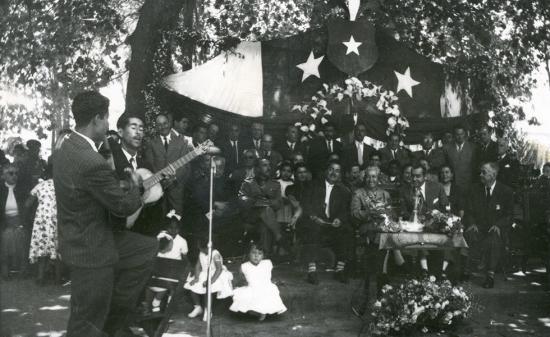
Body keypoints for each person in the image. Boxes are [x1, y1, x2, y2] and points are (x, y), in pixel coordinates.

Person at [53, 91, 158, 337]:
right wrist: (136, 185)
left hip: (79, 238)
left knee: (146, 248)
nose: (108, 125)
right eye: (107, 119)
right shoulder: (91, 160)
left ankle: (116, 310)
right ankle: (109, 315)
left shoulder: (65, 146)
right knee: (84, 326)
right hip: (92, 251)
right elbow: (123, 206)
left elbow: (92, 188)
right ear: (97, 119)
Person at [351, 166, 405, 294]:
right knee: (385, 234)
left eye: (374, 176)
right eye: (368, 176)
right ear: (365, 178)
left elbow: (391, 213)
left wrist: (386, 213)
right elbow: (354, 213)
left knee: (386, 233)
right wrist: (370, 212)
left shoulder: (385, 194)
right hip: (367, 226)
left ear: (378, 178)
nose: (371, 179)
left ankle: (383, 273)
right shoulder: (358, 193)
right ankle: (399, 260)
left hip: (383, 226)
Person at [301, 161, 351, 284]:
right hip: (315, 221)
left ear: (340, 175)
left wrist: (339, 219)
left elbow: (344, 211)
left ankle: (340, 270)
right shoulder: (313, 186)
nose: (333, 173)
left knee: (347, 231)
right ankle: (311, 271)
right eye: (331, 169)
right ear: (326, 171)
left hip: (331, 224)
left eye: (337, 171)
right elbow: (306, 205)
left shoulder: (343, 191)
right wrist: (314, 217)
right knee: (312, 229)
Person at [465, 162, 514, 288]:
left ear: (493, 175)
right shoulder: (474, 190)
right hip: (479, 227)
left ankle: (490, 275)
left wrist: (498, 225)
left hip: (495, 228)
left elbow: (509, 215)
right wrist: (472, 223)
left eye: (484, 172)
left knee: (493, 237)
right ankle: (467, 270)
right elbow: (468, 211)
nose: (480, 175)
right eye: (481, 172)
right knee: (470, 233)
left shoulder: (506, 191)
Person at [400, 165, 449, 275]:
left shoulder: (437, 187)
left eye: (418, 176)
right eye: (413, 176)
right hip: (414, 227)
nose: (414, 179)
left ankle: (439, 272)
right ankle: (424, 270)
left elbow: (445, 207)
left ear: (425, 176)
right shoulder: (405, 190)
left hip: (434, 226)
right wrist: (415, 218)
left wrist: (433, 218)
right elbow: (403, 212)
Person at [144, 113, 193, 214]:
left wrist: (173, 179)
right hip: (158, 189)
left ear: (169, 123)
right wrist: (161, 180)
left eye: (165, 123)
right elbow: (150, 165)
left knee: (176, 219)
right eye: (159, 124)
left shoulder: (182, 141)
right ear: (156, 127)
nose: (163, 127)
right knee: (159, 218)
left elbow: (185, 166)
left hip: (176, 188)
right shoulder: (151, 143)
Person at [143, 210, 188, 314]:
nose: (173, 230)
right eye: (170, 228)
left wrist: (185, 268)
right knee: (150, 282)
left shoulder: (182, 241)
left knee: (168, 281)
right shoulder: (160, 236)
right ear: (165, 227)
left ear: (179, 229)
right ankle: (148, 305)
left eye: (176, 228)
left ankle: (161, 304)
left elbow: (184, 257)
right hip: (158, 265)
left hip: (173, 269)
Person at [230, 243, 287, 320]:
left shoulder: (267, 263)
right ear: (248, 254)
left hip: (266, 287)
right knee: (240, 297)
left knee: (265, 296)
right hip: (252, 288)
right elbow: (241, 279)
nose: (256, 256)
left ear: (263, 256)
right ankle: (258, 313)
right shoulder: (244, 266)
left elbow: (269, 275)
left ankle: (262, 312)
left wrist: (274, 281)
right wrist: (239, 285)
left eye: (260, 254)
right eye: (253, 253)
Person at [238, 158, 283, 255]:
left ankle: (265, 257)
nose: (269, 168)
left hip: (267, 220)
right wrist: (258, 202)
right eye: (265, 165)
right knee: (266, 210)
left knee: (264, 226)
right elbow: (242, 200)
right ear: (257, 168)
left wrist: (262, 202)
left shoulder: (275, 184)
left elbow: (278, 203)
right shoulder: (247, 183)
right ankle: (279, 236)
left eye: (269, 165)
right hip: (251, 218)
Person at [26, 162, 61, 285]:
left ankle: (40, 277)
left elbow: (27, 204)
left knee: (41, 246)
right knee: (56, 247)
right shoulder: (62, 185)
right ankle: (57, 278)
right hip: (56, 217)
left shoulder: (40, 185)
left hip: (41, 219)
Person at [184, 236, 233, 321]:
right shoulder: (201, 253)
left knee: (208, 290)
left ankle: (208, 310)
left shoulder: (215, 255)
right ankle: (198, 307)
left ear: (207, 247)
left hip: (216, 274)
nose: (199, 248)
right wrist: (196, 278)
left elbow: (219, 269)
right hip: (204, 273)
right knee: (192, 287)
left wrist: (210, 281)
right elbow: (198, 266)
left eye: (200, 247)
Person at [0, 163, 27, 279]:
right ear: (4, 175)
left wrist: (22, 223)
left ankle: (23, 271)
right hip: (4, 224)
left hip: (20, 222)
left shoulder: (23, 189)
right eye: (11, 173)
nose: (14, 176)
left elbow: (27, 210)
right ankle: (4, 271)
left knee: (22, 236)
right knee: (6, 237)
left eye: (16, 173)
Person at [444, 125, 475, 191]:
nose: (460, 137)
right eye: (457, 134)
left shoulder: (473, 147)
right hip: (452, 185)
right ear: (454, 135)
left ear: (465, 134)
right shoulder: (447, 148)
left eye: (462, 134)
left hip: (468, 185)